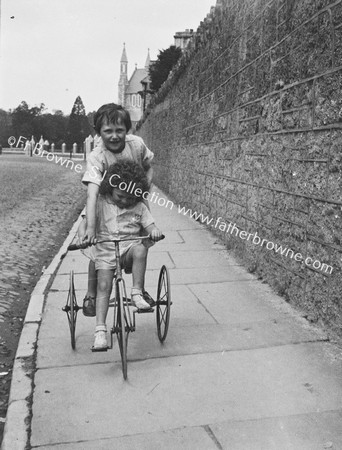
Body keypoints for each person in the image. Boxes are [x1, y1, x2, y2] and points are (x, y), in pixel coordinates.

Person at [80, 103, 154, 317]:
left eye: (119, 130)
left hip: (132, 200)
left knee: (140, 242)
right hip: (102, 206)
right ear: (99, 132)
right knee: (97, 248)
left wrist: (142, 192)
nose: (114, 136)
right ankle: (91, 294)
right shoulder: (97, 156)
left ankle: (137, 289)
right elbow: (92, 194)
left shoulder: (137, 145)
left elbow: (149, 168)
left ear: (127, 130)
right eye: (107, 131)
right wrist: (91, 227)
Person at [90, 161, 163, 350]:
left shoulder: (139, 207)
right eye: (120, 196)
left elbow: (150, 225)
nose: (124, 202)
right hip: (106, 250)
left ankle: (137, 293)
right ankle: (100, 331)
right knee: (103, 286)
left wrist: (154, 230)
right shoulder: (101, 202)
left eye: (130, 198)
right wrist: (85, 234)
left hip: (128, 249)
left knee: (140, 249)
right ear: (110, 188)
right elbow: (86, 219)